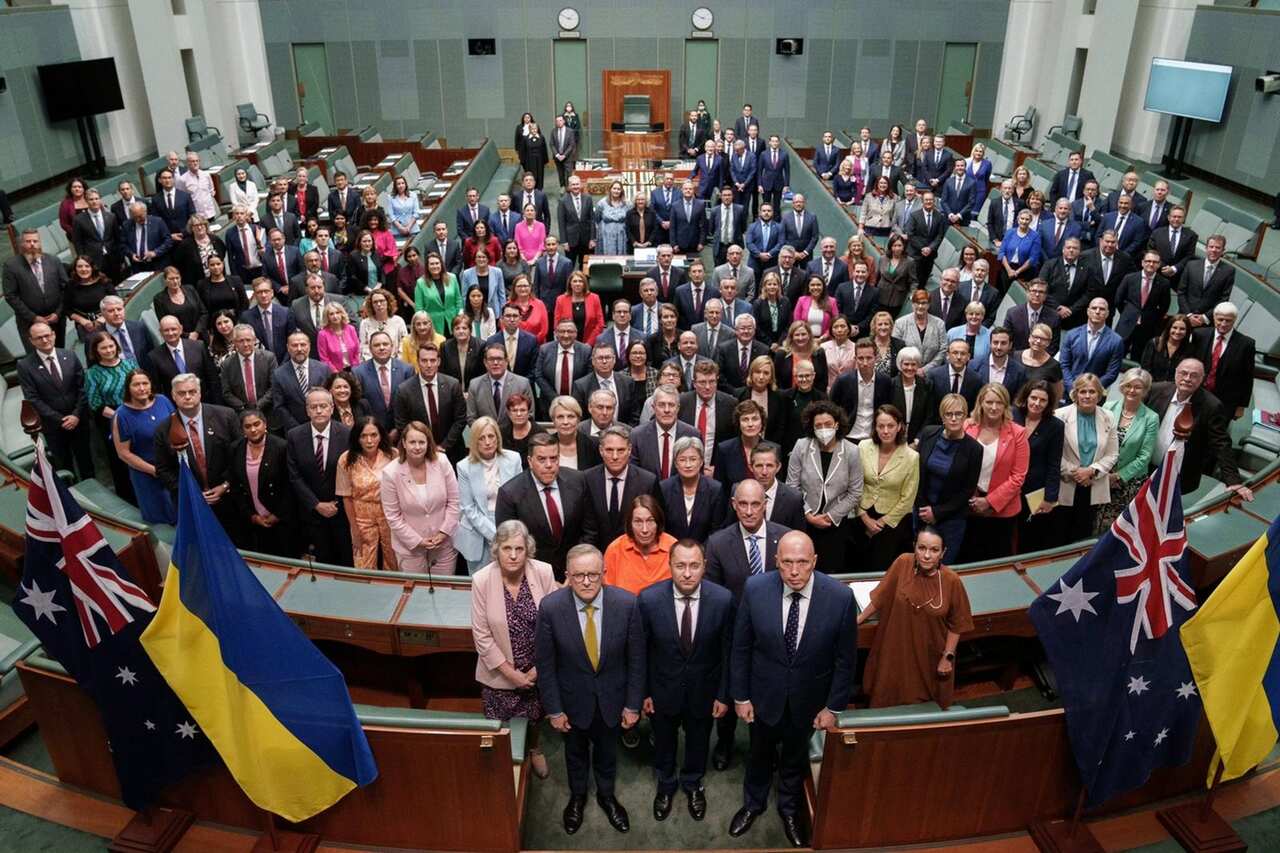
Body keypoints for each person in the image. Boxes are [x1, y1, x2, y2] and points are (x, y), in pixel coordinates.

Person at [728, 530, 856, 848]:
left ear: (815, 561)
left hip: (809, 700)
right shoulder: (755, 588)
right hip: (763, 697)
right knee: (759, 753)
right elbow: (741, 647)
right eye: (787, 562)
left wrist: (833, 707)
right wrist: (741, 696)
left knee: (795, 758)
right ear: (776, 561)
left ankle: (788, 809)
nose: (794, 571)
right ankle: (753, 803)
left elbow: (845, 660)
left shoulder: (840, 597)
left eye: (802, 562)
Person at [535, 543, 642, 835]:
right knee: (575, 754)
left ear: (604, 573)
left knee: (608, 753)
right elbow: (546, 665)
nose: (586, 582)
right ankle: (577, 797)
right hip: (572, 703)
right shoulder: (551, 608)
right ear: (567, 575)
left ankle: (607, 797)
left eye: (593, 575)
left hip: (612, 700)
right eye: (578, 575)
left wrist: (632, 705)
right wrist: (554, 710)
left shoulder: (627, 604)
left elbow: (636, 661)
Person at [638, 538, 734, 822]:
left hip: (704, 691)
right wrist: (644, 692)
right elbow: (641, 652)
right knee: (664, 742)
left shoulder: (723, 600)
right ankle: (666, 784)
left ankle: (693, 783)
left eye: (694, 565)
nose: (688, 573)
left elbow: (728, 652)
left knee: (699, 741)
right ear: (669, 565)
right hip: (661, 690)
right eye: (680, 566)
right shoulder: (648, 599)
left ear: (705, 566)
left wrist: (723, 694)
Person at [471, 519, 558, 780]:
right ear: (496, 550)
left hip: (537, 669)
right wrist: (511, 674)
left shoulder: (543, 572)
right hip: (500, 672)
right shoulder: (481, 580)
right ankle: (502, 759)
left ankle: (534, 748)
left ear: (527, 550)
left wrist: (537, 669)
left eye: (519, 549)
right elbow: (482, 636)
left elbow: (556, 624)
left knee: (535, 717)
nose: (513, 555)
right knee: (501, 725)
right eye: (507, 548)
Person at [858, 526, 973, 708]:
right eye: (922, 548)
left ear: (943, 553)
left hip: (929, 654)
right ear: (914, 547)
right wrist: (858, 620)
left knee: (925, 705)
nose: (927, 555)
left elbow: (957, 624)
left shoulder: (952, 581)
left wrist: (947, 657)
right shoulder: (903, 562)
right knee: (886, 694)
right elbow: (881, 598)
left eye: (934, 550)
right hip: (895, 647)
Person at [496, 431, 596, 582]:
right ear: (530, 461)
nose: (549, 465)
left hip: (576, 575)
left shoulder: (578, 481)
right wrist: (544, 579)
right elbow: (510, 547)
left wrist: (576, 570)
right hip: (532, 578)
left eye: (553, 458)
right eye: (542, 459)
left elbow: (590, 531)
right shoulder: (510, 494)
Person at [1147, 359, 1252, 500]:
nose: (1187, 379)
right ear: (1176, 373)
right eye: (1183, 373)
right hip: (1144, 468)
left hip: (1177, 476)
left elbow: (1221, 443)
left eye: (1194, 375)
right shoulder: (1155, 390)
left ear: (1202, 378)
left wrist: (1234, 481)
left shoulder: (1211, 406)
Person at [785, 399, 863, 572]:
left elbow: (855, 492)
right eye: (818, 425)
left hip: (836, 524)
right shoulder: (801, 446)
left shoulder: (852, 451)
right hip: (805, 521)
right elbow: (792, 486)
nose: (823, 429)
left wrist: (831, 516)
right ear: (812, 427)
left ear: (837, 424)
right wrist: (808, 515)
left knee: (831, 570)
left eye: (827, 424)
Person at [959, 383, 1029, 562]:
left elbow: (1018, 477)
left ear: (1006, 405)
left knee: (997, 562)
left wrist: (989, 502)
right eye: (989, 402)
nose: (994, 407)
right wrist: (971, 498)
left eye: (999, 403)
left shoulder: (1018, 433)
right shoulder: (966, 427)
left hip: (1002, 513)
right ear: (980, 403)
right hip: (968, 507)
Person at [378, 418, 460, 572]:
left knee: (444, 587)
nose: (417, 447)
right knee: (416, 588)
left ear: (428, 443)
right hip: (410, 549)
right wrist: (418, 541)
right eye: (412, 442)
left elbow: (455, 501)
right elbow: (393, 516)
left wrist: (444, 532)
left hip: (443, 544)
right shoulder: (390, 473)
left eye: (422, 442)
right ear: (404, 443)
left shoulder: (442, 462)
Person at [285, 386, 352, 565]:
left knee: (345, 562)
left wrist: (336, 503)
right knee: (321, 564)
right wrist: (316, 504)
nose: (319, 410)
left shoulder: (347, 434)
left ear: (332, 408)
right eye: (313, 407)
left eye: (323, 406)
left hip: (341, 513)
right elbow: (294, 476)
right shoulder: (294, 436)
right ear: (307, 410)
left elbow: (351, 473)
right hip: (311, 515)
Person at [17, 322, 93, 479]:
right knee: (63, 465)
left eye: (47, 335)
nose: (45, 340)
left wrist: (76, 415)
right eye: (39, 338)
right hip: (53, 426)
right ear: (31, 341)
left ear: (53, 334)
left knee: (86, 461)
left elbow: (82, 387)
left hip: (79, 420)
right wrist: (60, 419)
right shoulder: (25, 365)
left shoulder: (70, 355)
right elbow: (32, 398)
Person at [914, 394, 982, 564]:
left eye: (958, 414)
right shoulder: (928, 433)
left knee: (943, 566)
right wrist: (924, 510)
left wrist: (937, 513)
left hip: (951, 519)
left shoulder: (974, 449)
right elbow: (917, 474)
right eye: (948, 414)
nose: (953, 418)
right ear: (942, 416)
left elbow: (967, 490)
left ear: (965, 415)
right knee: (921, 563)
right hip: (922, 512)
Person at [1053, 373, 1120, 544]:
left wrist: (1091, 471)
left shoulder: (1108, 417)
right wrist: (1077, 473)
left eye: (1092, 391)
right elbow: (1053, 454)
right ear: (1075, 394)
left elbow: (1112, 454)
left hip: (1093, 483)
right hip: (1065, 483)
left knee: (1082, 535)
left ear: (1099, 394)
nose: (1087, 396)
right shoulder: (1059, 415)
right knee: (1058, 533)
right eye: (1083, 391)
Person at [454, 415, 524, 573]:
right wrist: (495, 535)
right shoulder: (464, 466)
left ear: (497, 437)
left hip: (508, 524)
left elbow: (520, 498)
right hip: (477, 530)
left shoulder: (513, 459)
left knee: (510, 578)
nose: (487, 442)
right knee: (481, 582)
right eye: (481, 438)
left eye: (491, 436)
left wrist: (507, 533)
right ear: (474, 441)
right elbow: (468, 508)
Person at [855, 405, 919, 572]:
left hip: (893, 522)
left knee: (883, 569)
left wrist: (882, 522)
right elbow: (853, 484)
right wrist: (864, 516)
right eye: (881, 426)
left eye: (890, 426)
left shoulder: (912, 457)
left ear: (899, 427)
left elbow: (908, 498)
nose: (885, 431)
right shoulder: (863, 447)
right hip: (862, 515)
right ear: (875, 427)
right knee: (858, 565)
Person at [1095, 367, 1159, 532]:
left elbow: (1144, 456)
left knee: (1116, 529)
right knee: (1093, 522)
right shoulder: (1108, 406)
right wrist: (1101, 471)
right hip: (1101, 476)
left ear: (1145, 391)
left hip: (1128, 482)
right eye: (1128, 385)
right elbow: (1098, 441)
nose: (1132, 390)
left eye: (1138, 387)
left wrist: (1117, 476)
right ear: (1122, 386)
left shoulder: (1151, 418)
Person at [111, 369, 176, 524]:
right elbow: (124, 453)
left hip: (173, 470)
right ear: (128, 388)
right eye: (136, 385)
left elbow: (177, 427)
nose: (142, 388)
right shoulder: (121, 415)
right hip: (148, 476)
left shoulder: (163, 401)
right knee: (162, 523)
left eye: (145, 383)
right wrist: (155, 471)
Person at [228, 407, 295, 556]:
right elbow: (235, 486)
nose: (253, 429)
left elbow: (290, 486)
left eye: (256, 424)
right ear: (242, 430)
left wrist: (277, 515)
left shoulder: (281, 447)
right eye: (247, 426)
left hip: (281, 520)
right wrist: (252, 516)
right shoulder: (235, 449)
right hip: (252, 520)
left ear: (265, 424)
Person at [335, 416, 397, 570]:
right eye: (363, 436)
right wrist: (354, 529)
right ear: (357, 438)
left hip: (390, 515)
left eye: (374, 435)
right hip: (361, 517)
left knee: (394, 561)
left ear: (381, 435)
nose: (369, 441)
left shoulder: (393, 455)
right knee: (363, 564)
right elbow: (346, 497)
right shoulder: (346, 459)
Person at [84, 330, 139, 502]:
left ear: (116, 346)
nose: (108, 350)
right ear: (96, 351)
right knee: (120, 464)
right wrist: (121, 417)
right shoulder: (92, 373)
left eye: (111, 346)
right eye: (103, 348)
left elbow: (141, 388)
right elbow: (95, 403)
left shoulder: (130, 365)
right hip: (111, 419)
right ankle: (129, 500)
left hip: (136, 413)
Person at [393, 341, 466, 461]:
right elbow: (402, 425)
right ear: (418, 361)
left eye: (432, 360)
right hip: (419, 454)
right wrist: (424, 447)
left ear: (439, 361)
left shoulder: (452, 385)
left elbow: (460, 419)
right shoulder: (404, 390)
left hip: (452, 451)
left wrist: (444, 446)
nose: (429, 365)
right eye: (424, 361)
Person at [4, 229, 69, 350]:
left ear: (40, 242)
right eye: (28, 241)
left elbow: (66, 288)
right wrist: (33, 317)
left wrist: (58, 313)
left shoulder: (53, 260)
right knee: (36, 358)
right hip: (29, 323)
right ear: (22, 244)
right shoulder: (11, 266)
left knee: (59, 353)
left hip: (56, 320)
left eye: (35, 241)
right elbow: (10, 296)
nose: (32, 244)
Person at [600, 493, 674, 595]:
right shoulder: (615, 550)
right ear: (630, 524)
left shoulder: (673, 548)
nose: (644, 529)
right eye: (638, 522)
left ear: (658, 522)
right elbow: (607, 593)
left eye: (650, 521)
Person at [1194, 302, 1256, 421]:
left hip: (1226, 401)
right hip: (1197, 394)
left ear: (1235, 320)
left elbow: (1247, 377)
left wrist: (1241, 406)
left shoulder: (1246, 344)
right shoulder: (1199, 335)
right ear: (1214, 317)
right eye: (1220, 319)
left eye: (1228, 321)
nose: (1223, 324)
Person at [659, 436, 727, 542]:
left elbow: (717, 530)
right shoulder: (664, 488)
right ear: (676, 463)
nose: (688, 465)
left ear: (701, 461)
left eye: (693, 459)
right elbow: (661, 527)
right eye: (682, 460)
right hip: (671, 548)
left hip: (705, 550)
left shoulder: (715, 489)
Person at [1060, 296, 1125, 391]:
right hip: (1071, 391)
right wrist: (1072, 387)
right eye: (1094, 308)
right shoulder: (1071, 335)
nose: (1097, 312)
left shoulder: (1116, 341)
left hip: (1096, 394)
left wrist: (1091, 389)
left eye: (1102, 309)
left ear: (1107, 314)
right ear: (1088, 311)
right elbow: (1064, 365)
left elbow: (1112, 373)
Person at [62, 255, 115, 342]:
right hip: (85, 327)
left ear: (92, 268)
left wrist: (103, 318)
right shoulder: (70, 285)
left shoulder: (103, 281)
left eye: (87, 266)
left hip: (107, 322)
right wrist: (82, 320)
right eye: (79, 266)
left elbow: (116, 301)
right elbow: (66, 309)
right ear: (75, 269)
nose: (83, 269)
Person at [891, 346, 935, 444]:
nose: (910, 368)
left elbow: (929, 416)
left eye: (913, 364)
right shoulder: (891, 385)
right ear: (900, 364)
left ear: (918, 365)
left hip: (917, 439)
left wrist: (918, 439)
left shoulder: (926, 385)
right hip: (893, 437)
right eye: (906, 364)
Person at [415, 251, 463, 337]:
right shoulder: (420, 283)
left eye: (437, 263)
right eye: (432, 264)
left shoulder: (452, 277)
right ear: (427, 266)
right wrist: (424, 324)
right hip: (433, 324)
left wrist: (459, 317)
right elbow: (419, 308)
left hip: (453, 321)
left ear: (441, 264)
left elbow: (458, 299)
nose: (435, 266)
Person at [548, 395, 600, 471]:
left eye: (570, 416)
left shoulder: (594, 445)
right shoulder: (545, 445)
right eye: (560, 417)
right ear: (553, 420)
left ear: (578, 419)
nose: (565, 422)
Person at [554, 270, 605, 346]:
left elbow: (600, 324)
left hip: (590, 343)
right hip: (567, 342)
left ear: (584, 284)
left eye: (580, 281)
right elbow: (557, 324)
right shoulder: (560, 300)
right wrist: (566, 341)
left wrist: (589, 343)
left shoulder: (594, 298)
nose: (577, 284)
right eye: (575, 281)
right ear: (570, 284)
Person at [1140, 314, 1193, 384]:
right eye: (1174, 328)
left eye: (1182, 329)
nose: (1177, 332)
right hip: (1150, 385)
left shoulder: (1190, 349)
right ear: (1169, 328)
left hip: (1172, 388)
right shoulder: (1154, 343)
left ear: (1187, 331)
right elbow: (1145, 368)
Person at [358, 290, 408, 362]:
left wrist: (395, 363)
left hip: (396, 363)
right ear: (371, 305)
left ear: (388, 302)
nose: (379, 304)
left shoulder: (398, 321)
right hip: (372, 363)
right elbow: (364, 347)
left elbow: (403, 344)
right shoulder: (365, 323)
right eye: (375, 302)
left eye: (382, 301)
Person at [316, 302, 360, 373]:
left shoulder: (351, 329)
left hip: (354, 370)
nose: (335, 316)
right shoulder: (322, 334)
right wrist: (336, 373)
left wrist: (354, 370)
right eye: (331, 314)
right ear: (327, 317)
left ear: (342, 314)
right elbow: (324, 358)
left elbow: (357, 352)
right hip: (335, 373)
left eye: (337, 313)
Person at [386, 175, 423, 240]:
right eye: (398, 184)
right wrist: (400, 227)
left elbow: (416, 213)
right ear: (395, 186)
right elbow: (391, 215)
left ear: (406, 184)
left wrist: (409, 227)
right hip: (397, 231)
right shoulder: (390, 197)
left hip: (412, 229)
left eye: (403, 183)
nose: (401, 185)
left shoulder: (413, 195)